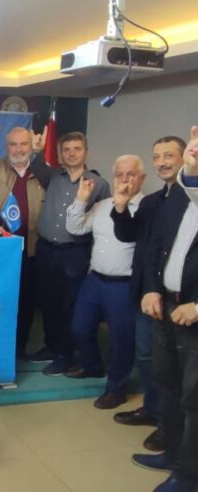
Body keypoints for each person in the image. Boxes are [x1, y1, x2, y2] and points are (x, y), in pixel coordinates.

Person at [131, 125, 198, 492]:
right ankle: (172, 453)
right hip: (166, 306)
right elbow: (158, 248)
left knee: (193, 398)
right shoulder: (179, 198)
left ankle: (188, 476)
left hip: (194, 315)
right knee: (167, 384)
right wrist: (153, 289)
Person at [111, 135, 187, 452]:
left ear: (185, 158)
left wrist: (155, 289)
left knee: (173, 368)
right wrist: (120, 205)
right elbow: (129, 234)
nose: (161, 162)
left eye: (169, 155)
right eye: (156, 156)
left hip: (178, 300)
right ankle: (154, 410)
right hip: (148, 294)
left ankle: (171, 428)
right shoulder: (153, 201)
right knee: (149, 358)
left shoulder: (190, 201)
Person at [64, 155, 146, 409]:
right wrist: (80, 200)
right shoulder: (102, 205)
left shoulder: (149, 208)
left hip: (124, 285)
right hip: (95, 280)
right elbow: (75, 228)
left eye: (130, 174)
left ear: (141, 178)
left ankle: (116, 389)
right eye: (119, 174)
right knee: (79, 327)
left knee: (121, 340)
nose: (124, 179)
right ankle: (92, 366)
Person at [30, 132, 110, 375]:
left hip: (75, 253)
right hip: (46, 250)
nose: (72, 154)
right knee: (48, 303)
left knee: (69, 307)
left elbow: (103, 223)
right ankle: (51, 346)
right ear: (61, 154)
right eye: (66, 150)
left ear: (86, 152)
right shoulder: (54, 177)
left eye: (77, 149)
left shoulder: (99, 184)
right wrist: (37, 150)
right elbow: (35, 165)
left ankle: (66, 356)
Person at [0, 125, 46, 358]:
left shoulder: (41, 171)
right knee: (3, 297)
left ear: (31, 146)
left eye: (24, 144)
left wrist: (41, 155)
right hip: (4, 249)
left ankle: (19, 347)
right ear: (6, 147)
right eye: (13, 144)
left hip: (32, 249)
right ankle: (0, 346)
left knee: (26, 301)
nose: (18, 149)